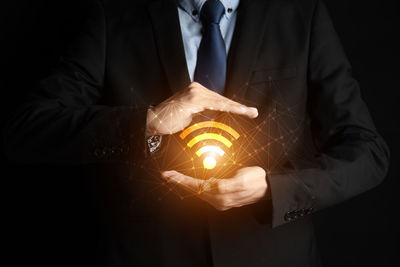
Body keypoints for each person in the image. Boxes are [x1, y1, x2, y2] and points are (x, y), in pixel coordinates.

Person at [4, 0, 390, 266]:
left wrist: (275, 191)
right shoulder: (113, 14)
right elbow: (27, 129)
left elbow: (368, 151)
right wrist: (147, 121)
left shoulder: (300, 14)